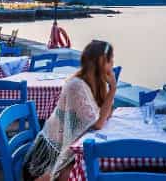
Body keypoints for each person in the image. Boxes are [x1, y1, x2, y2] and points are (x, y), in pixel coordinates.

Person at [24, 40, 117, 181]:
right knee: (92, 169)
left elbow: (105, 115)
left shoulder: (94, 84)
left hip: (68, 151)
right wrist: (113, 89)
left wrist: (108, 91)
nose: (113, 65)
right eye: (110, 61)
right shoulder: (77, 86)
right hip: (48, 160)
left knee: (97, 166)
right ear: (101, 62)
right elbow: (98, 123)